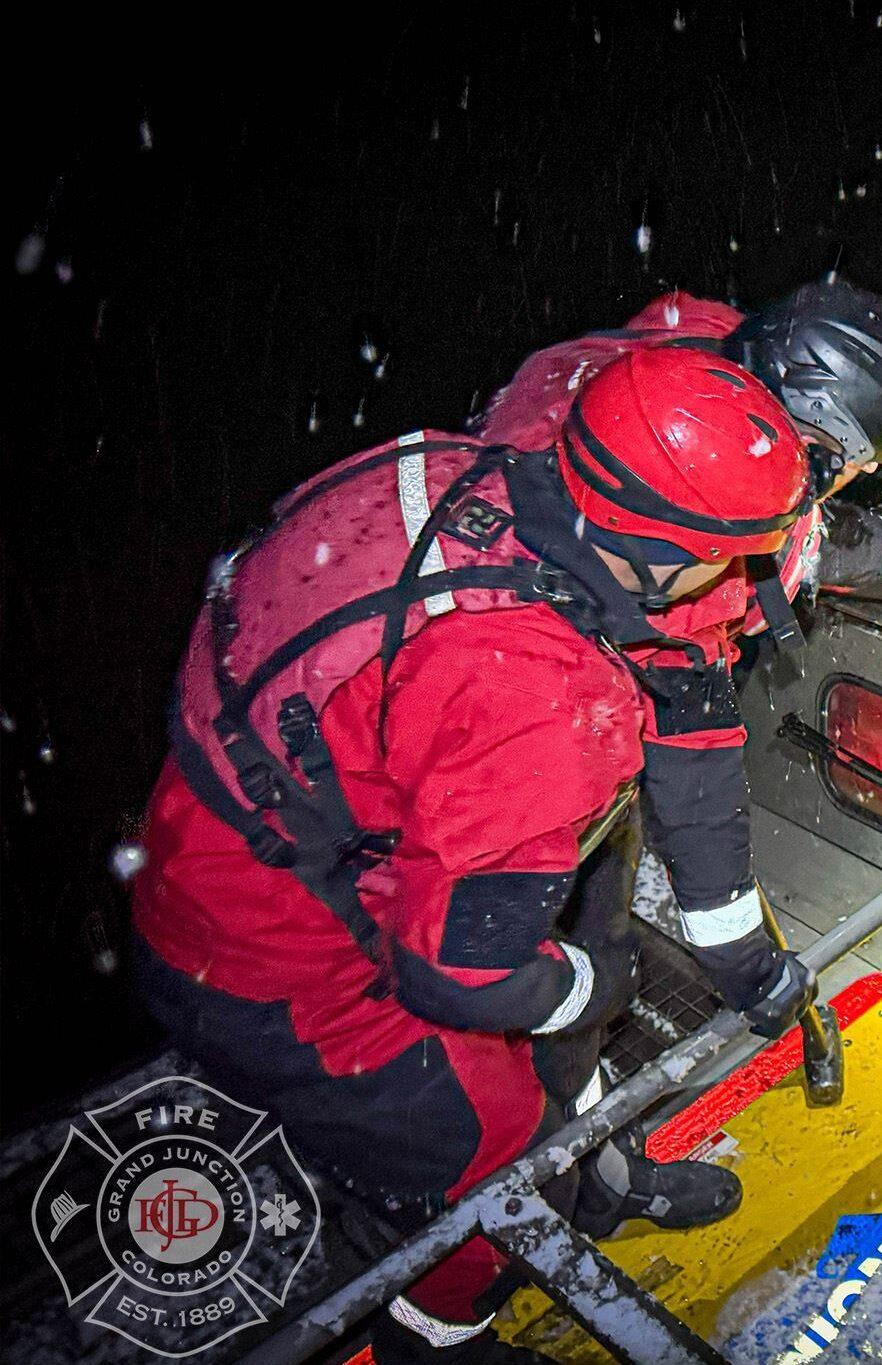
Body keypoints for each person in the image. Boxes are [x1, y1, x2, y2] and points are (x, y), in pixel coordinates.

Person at [131, 347, 821, 1361]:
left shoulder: (478, 475)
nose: (744, 580)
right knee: (490, 1151)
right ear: (660, 551)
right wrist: (585, 989)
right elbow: (460, 973)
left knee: (547, 1052)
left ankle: (592, 1193)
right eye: (735, 556)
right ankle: (439, 1340)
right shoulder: (544, 702)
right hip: (266, 947)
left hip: (264, 829)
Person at [477, 279, 882, 615]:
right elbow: (843, 549)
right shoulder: (689, 501)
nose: (862, 473)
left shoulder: (707, 344)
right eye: (854, 460)